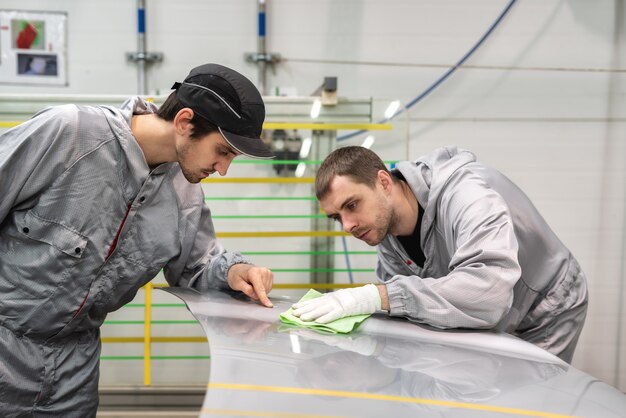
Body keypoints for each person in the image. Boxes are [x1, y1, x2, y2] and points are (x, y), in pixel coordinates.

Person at [0, 63, 275, 416]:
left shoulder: (184, 196)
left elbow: (197, 266)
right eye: (222, 151)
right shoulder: (70, 134)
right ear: (184, 121)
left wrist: (235, 271)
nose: (222, 169)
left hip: (73, 368)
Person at [292, 145, 588, 364]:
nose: (347, 226)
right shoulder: (384, 231)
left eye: (352, 205)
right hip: (490, 319)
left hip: (543, 308)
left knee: (530, 403)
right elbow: (408, 316)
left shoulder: (466, 194)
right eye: (336, 217)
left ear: (384, 182)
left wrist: (373, 297)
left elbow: (488, 292)